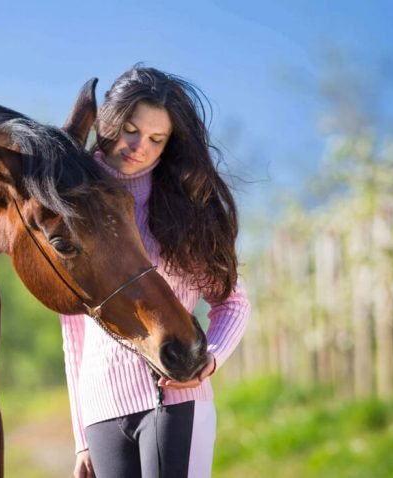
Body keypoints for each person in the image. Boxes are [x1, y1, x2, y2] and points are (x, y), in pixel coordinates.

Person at [60, 66, 251, 478]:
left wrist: (210, 359)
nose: (138, 146)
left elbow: (233, 301)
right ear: (108, 122)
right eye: (130, 129)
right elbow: (74, 334)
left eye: (155, 139)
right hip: (102, 412)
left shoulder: (180, 210)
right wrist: (80, 438)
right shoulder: (74, 204)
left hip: (176, 399)